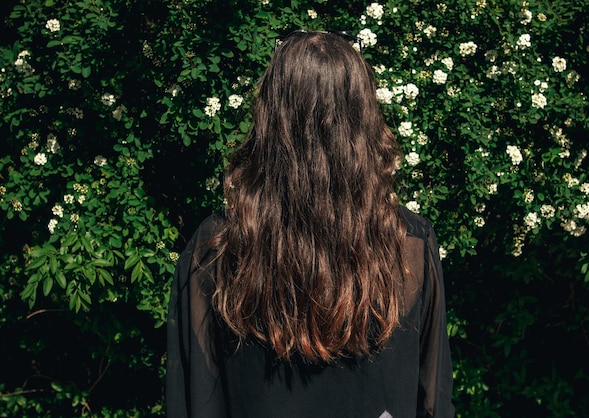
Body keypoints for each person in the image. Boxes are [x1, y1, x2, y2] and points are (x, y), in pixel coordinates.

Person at [167, 30, 455, 418]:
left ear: (270, 117)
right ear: (362, 119)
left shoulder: (220, 245)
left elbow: (194, 397)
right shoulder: (407, 244)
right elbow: (433, 400)